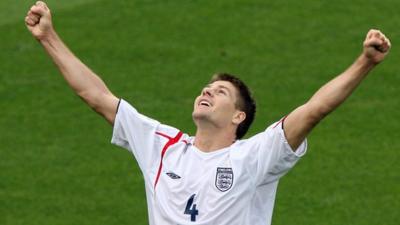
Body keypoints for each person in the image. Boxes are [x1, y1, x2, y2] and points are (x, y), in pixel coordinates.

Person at [25, 1, 391, 225]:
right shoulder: (162, 145)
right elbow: (96, 95)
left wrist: (365, 62)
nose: (206, 92)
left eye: (220, 93)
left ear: (238, 117)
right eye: (206, 88)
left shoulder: (255, 156)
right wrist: (48, 37)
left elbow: (314, 110)